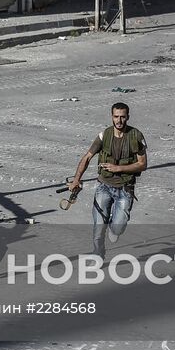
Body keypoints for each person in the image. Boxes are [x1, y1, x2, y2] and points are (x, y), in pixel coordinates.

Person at [66, 102, 148, 258]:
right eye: (116, 117)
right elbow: (87, 157)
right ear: (112, 117)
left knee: (117, 228)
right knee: (98, 226)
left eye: (122, 117)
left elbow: (142, 164)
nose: (119, 121)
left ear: (128, 117)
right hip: (104, 186)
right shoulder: (104, 135)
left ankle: (114, 227)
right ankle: (98, 254)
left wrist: (119, 168)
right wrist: (76, 179)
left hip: (125, 188)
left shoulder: (136, 136)